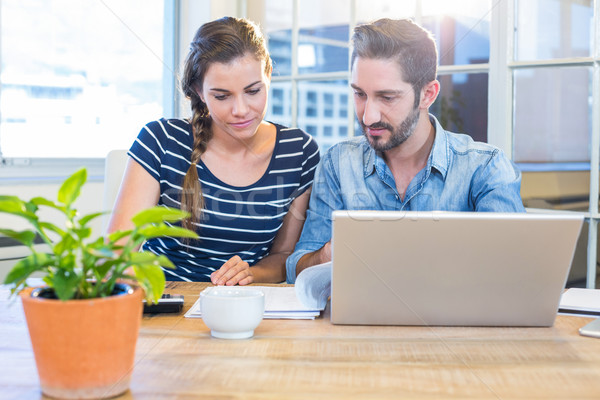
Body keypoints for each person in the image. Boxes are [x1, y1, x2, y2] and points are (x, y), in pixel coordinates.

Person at [286, 18, 525, 283]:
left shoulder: (485, 168)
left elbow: (514, 274)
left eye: (387, 97)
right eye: (359, 94)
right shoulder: (338, 163)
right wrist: (326, 255)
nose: (368, 117)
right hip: (361, 321)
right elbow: (297, 266)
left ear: (428, 94)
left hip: (455, 322)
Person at [107, 17, 319, 285]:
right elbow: (115, 256)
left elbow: (285, 256)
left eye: (253, 91)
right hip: (166, 303)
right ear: (200, 91)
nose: (240, 110)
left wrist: (251, 274)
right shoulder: (161, 140)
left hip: (244, 304)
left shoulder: (299, 152)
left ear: (269, 74)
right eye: (222, 96)